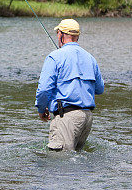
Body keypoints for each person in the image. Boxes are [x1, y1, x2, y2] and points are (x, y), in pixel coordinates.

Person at [35, 18, 104, 151]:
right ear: (77, 36)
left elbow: (44, 90)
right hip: (87, 118)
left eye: (58, 33)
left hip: (66, 118)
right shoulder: (90, 58)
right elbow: (100, 89)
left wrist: (41, 109)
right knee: (76, 165)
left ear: (60, 34)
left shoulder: (54, 57)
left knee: (59, 163)